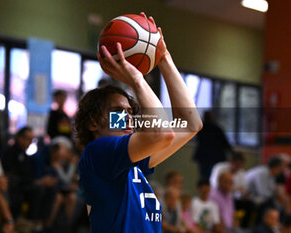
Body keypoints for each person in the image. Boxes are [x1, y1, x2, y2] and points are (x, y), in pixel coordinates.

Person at [75, 12, 202, 233]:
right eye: (118, 112)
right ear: (94, 123)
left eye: (130, 112)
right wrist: (136, 79)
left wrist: (164, 57)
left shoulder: (135, 164)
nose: (128, 118)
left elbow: (191, 125)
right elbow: (163, 134)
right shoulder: (97, 154)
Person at [193, 111, 232, 179]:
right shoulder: (213, 129)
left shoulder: (203, 129)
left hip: (209, 158)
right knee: (209, 178)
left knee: (210, 177)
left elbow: (225, 143)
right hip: (210, 158)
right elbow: (225, 143)